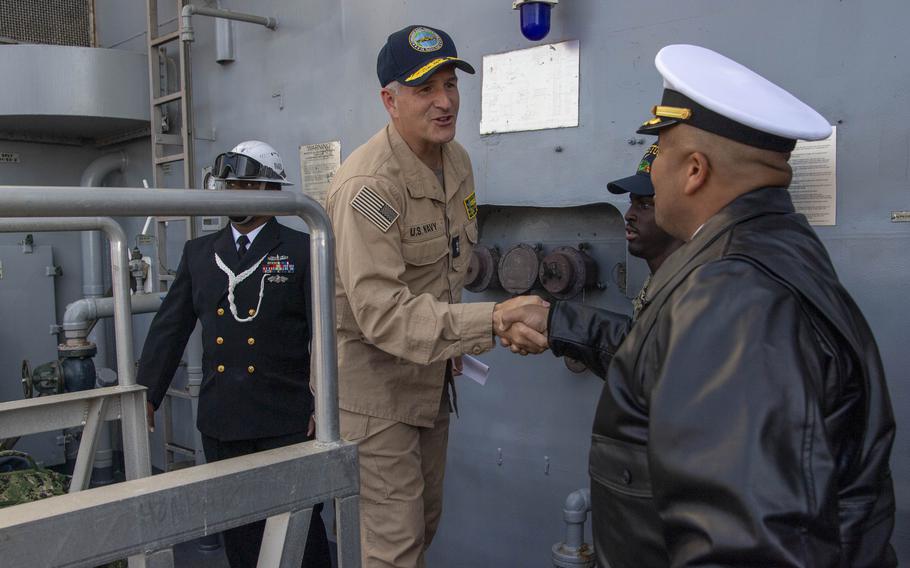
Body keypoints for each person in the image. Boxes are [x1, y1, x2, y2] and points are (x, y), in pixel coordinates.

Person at [499, 44, 897, 567]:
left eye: (659, 151)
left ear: (694, 171)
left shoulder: (736, 296)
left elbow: (744, 548)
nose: (653, 170)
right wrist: (559, 322)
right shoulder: (767, 249)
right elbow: (670, 360)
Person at [323, 25, 546, 568]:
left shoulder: (458, 164)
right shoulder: (369, 188)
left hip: (430, 381)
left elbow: (455, 260)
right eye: (426, 89)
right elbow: (382, 314)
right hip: (375, 396)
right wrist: (492, 321)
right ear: (390, 100)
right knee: (393, 549)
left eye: (450, 84)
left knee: (421, 527)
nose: (445, 102)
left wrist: (496, 321)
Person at [137, 141, 331, 568]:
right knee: (239, 530)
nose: (236, 192)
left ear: (271, 192)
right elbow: (171, 327)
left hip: (287, 417)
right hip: (224, 418)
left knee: (301, 528)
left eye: (247, 184)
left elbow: (326, 333)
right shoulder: (200, 254)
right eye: (231, 184)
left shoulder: (303, 249)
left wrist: (325, 402)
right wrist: (147, 395)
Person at [500, 144, 684, 369]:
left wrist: (554, 322)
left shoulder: (692, 288)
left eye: (645, 205)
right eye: (631, 203)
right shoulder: (665, 279)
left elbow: (652, 363)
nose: (629, 215)